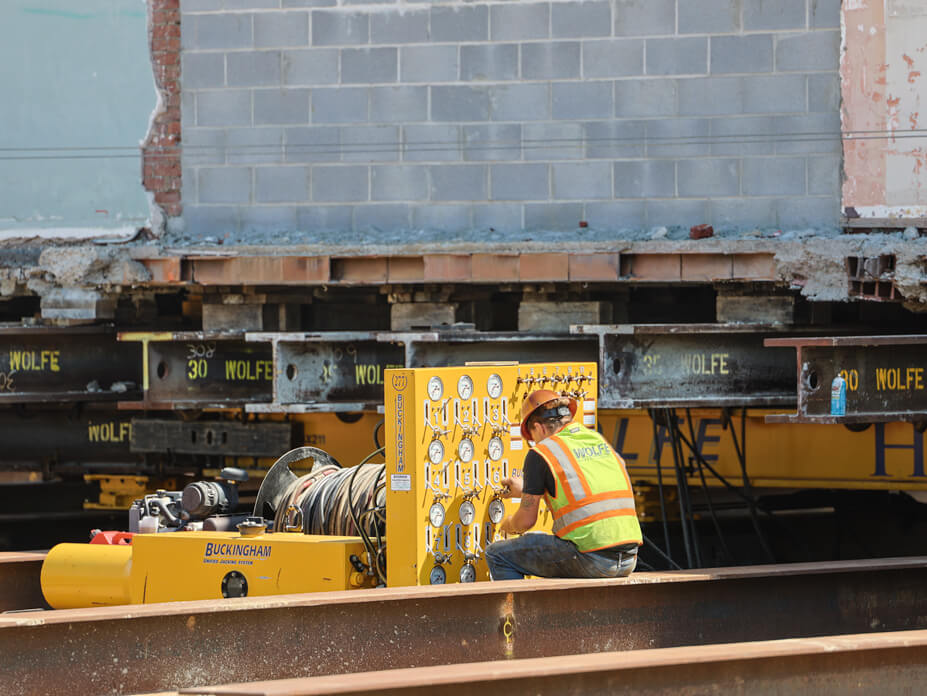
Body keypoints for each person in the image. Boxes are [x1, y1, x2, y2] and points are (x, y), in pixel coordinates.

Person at [484, 389, 642, 580]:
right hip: (628, 559)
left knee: (498, 554)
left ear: (539, 428)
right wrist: (529, 488)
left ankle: (520, 611)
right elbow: (581, 489)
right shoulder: (596, 441)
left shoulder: (541, 453)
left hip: (592, 558)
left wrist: (509, 525)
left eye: (533, 437)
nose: (535, 443)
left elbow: (526, 521)